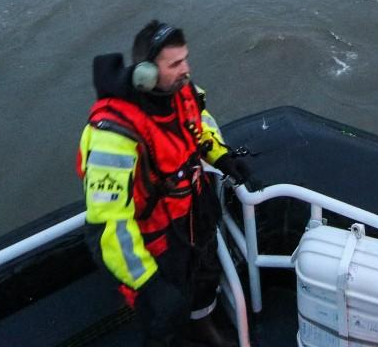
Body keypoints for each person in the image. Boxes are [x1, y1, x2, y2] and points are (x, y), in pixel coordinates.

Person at [77, 20, 250, 347]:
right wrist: (149, 282)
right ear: (146, 73)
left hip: (194, 217)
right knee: (163, 318)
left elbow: (200, 126)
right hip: (155, 244)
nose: (186, 69)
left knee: (204, 281)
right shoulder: (112, 133)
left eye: (185, 59)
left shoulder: (182, 91)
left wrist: (221, 157)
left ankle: (203, 326)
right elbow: (107, 225)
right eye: (175, 63)